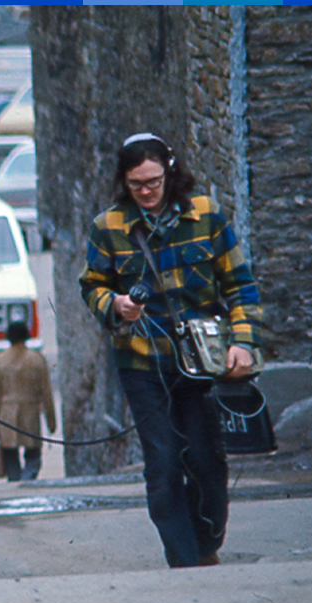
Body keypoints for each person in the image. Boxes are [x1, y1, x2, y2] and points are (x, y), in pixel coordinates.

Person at [78, 132, 263, 568]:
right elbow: (92, 285)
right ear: (123, 181)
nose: (145, 191)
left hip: (202, 361)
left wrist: (244, 343)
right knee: (161, 465)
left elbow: (241, 285)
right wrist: (114, 305)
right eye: (136, 184)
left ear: (170, 172)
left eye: (153, 182)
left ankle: (205, 545)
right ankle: (183, 563)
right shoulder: (109, 226)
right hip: (142, 362)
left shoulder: (207, 216)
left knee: (206, 460)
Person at [0, 321, 57, 482]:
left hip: (6, 414)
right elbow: (46, 394)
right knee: (33, 454)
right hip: (30, 412)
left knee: (10, 453)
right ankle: (27, 481)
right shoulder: (37, 360)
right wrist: (51, 422)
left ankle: (15, 483)